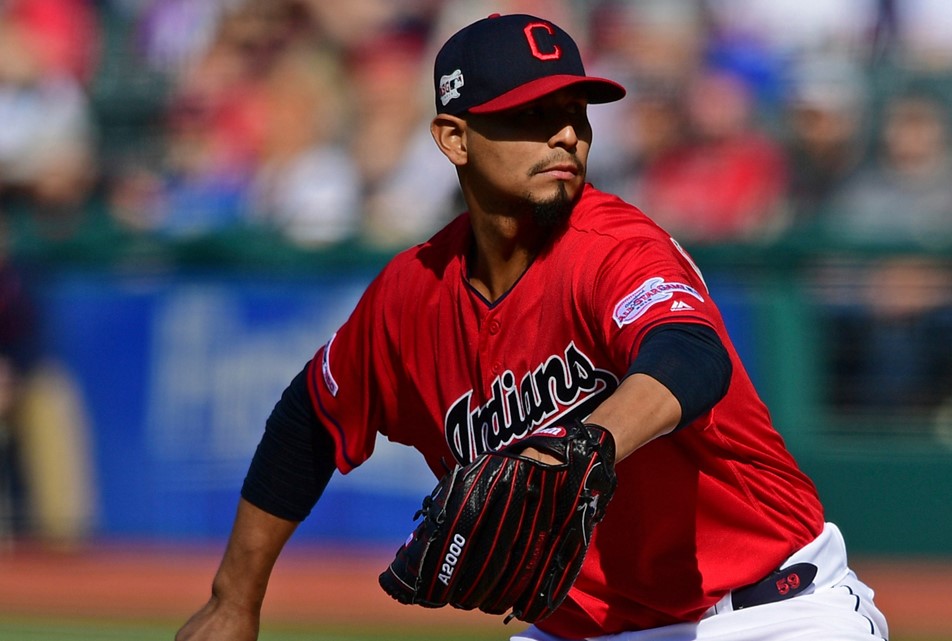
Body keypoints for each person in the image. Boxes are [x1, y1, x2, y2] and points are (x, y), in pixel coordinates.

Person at [176, 13, 888, 641]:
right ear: (454, 138)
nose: (564, 133)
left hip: (768, 612)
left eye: (576, 110)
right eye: (529, 114)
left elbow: (689, 353)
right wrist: (233, 599)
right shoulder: (410, 295)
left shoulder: (614, 248)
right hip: (582, 630)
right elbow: (309, 416)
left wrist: (588, 444)